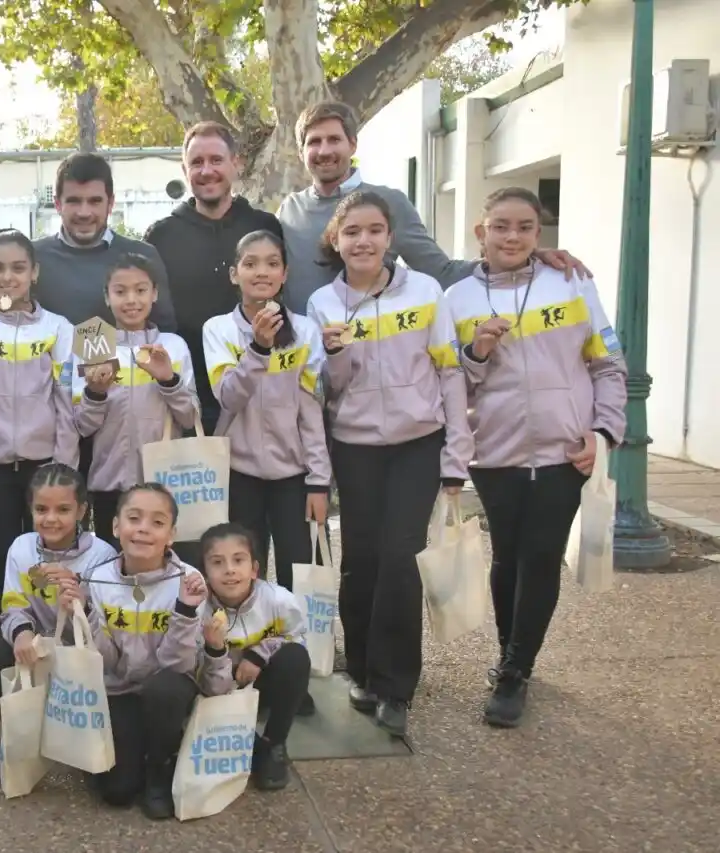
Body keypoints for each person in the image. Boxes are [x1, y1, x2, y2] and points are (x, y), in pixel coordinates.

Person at [446, 187, 627, 728]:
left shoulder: (571, 282)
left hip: (563, 449)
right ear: (481, 231)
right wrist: (476, 352)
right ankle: (512, 653)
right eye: (501, 226)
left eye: (525, 227)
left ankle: (515, 671)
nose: (513, 236)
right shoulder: (457, 300)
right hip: (495, 450)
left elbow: (607, 366)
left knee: (542, 556)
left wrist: (604, 431)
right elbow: (452, 383)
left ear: (538, 234)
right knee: (508, 555)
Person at [306, 190, 473, 738]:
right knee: (363, 558)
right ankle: (364, 669)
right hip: (353, 446)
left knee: (401, 557)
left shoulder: (426, 292)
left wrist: (457, 457)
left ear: (389, 237)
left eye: (374, 230)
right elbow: (328, 389)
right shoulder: (322, 305)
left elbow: (451, 375)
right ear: (337, 239)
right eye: (352, 231)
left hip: (416, 444)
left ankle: (397, 684)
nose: (363, 240)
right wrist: (334, 355)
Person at [276, 100, 590, 311]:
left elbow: (440, 271)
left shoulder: (389, 202)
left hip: (367, 361)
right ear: (301, 151)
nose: (324, 150)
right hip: (301, 367)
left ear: (352, 145)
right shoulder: (288, 211)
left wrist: (521, 256)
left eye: (334, 139)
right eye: (314, 142)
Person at [0, 229, 78, 594]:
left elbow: (66, 401)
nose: (8, 277)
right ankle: (4, 637)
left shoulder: (58, 328)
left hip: (45, 466)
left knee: (49, 558)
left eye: (19, 267)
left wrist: (64, 468)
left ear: (34, 273)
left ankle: (48, 636)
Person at [67, 483, 206, 820]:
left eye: (157, 523)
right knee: (117, 792)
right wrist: (84, 613)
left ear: (171, 535)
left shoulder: (188, 580)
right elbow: (106, 661)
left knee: (166, 687)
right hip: (120, 688)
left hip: (167, 688)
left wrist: (185, 611)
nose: (143, 528)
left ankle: (159, 769)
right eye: (134, 518)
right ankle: (137, 750)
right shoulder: (97, 579)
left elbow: (179, 664)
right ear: (116, 526)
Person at [202, 231, 331, 590]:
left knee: (302, 572)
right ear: (234, 274)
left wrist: (319, 480)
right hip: (239, 473)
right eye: (250, 263)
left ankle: (302, 645)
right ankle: (247, 643)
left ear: (285, 274)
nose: (262, 272)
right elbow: (228, 397)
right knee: (241, 575)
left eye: (272, 263)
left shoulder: (305, 331)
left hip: (294, 476)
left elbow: (311, 412)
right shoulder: (218, 329)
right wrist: (258, 349)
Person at [143, 121, 284, 435]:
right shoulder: (161, 237)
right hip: (189, 398)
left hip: (260, 388)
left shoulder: (265, 226)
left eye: (216, 160)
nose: (207, 170)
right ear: (184, 169)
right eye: (197, 162)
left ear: (236, 163)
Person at [0, 462, 119, 776]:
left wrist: (79, 601)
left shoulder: (101, 555)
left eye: (63, 509)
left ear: (82, 510)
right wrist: (21, 633)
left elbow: (107, 622)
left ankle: (84, 734)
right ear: (30, 509)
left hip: (81, 649)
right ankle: (16, 734)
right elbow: (12, 603)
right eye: (41, 509)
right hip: (38, 643)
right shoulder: (21, 548)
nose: (51, 519)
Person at [74, 254, 198, 546]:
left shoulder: (172, 345)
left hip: (163, 483)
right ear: (107, 296)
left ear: (154, 293)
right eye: (120, 291)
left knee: (160, 568)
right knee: (113, 566)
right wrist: (95, 392)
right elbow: (82, 425)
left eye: (141, 290)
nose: (131, 300)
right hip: (108, 483)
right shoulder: (92, 343)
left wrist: (168, 379)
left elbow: (190, 417)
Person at [196, 522, 313, 791]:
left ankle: (274, 743)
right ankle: (241, 741)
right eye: (217, 562)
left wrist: (258, 655)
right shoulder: (198, 612)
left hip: (260, 685)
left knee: (295, 658)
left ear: (255, 569)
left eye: (239, 560)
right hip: (214, 691)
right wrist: (215, 650)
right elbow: (209, 685)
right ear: (204, 573)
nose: (230, 570)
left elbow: (297, 637)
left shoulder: (279, 600)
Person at [31, 152, 176, 332]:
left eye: (95, 201)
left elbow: (165, 333)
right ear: (58, 205)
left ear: (111, 203)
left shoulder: (143, 256)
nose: (84, 213)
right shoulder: (31, 259)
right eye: (74, 201)